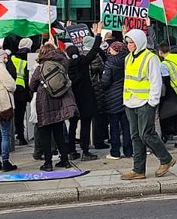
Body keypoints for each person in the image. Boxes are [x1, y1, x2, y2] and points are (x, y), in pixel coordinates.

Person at [119, 29, 176, 180]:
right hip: (130, 102)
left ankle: (166, 159)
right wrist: (126, 101)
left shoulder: (150, 58)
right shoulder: (128, 58)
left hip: (145, 102)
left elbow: (155, 81)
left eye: (132, 43)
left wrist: (152, 102)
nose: (129, 45)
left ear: (139, 43)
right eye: (128, 42)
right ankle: (138, 170)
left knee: (147, 134)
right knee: (136, 136)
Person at [29, 42, 78, 172]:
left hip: (45, 103)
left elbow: (32, 85)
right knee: (59, 134)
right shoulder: (63, 63)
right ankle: (65, 160)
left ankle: (48, 163)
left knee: (45, 135)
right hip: (60, 102)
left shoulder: (40, 67)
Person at [66, 28, 103, 161]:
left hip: (73, 99)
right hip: (86, 98)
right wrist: (97, 34)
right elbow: (94, 50)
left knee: (73, 125)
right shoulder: (83, 62)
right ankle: (85, 151)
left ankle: (71, 150)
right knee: (86, 126)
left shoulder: (67, 65)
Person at [99, 38, 133, 160]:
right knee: (127, 126)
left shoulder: (110, 63)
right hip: (126, 96)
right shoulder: (129, 60)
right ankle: (129, 151)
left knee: (114, 127)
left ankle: (115, 151)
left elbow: (105, 82)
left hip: (112, 98)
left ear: (115, 50)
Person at [156, 42, 177, 149]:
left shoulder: (164, 64)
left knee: (174, 116)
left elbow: (166, 80)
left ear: (160, 52)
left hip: (173, 91)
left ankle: (175, 137)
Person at [11, 37, 33, 146]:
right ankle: (21, 135)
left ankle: (17, 133)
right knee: (21, 113)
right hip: (23, 89)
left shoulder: (12, 57)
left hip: (13, 89)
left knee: (16, 114)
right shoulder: (30, 57)